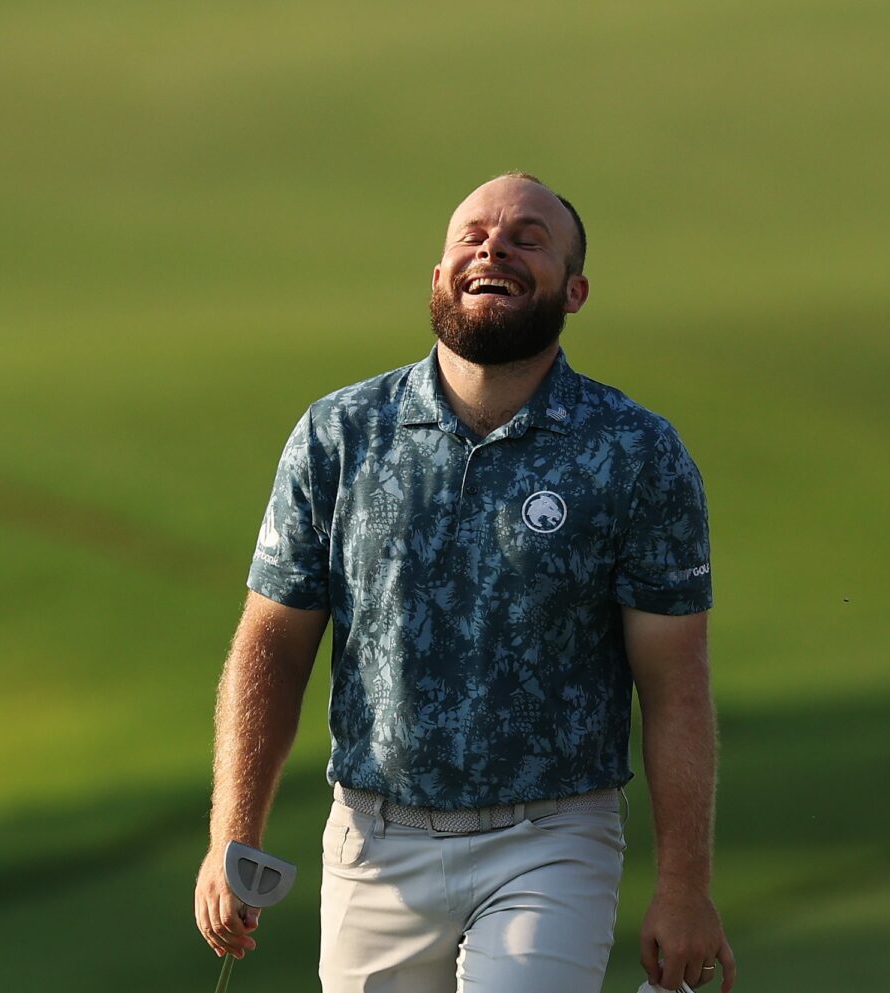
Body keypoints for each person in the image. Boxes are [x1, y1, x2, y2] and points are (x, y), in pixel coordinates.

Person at [193, 172, 736, 993]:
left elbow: (675, 685)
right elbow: (272, 644)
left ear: (574, 290)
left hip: (550, 838)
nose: (494, 247)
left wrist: (684, 886)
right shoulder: (339, 436)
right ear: (439, 277)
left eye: (527, 238)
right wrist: (234, 830)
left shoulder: (636, 454)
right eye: (473, 235)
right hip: (373, 842)